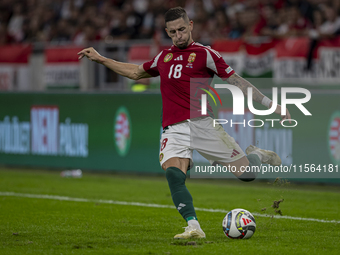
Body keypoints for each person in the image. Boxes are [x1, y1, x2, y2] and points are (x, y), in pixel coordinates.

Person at [78, 6, 291, 239]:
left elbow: (238, 82)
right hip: (173, 128)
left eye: (181, 29)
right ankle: (194, 227)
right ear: (167, 32)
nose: (178, 35)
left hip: (202, 124)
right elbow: (136, 72)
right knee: (173, 174)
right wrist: (100, 59)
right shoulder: (163, 57)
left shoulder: (206, 54)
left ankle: (258, 154)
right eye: (172, 32)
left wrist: (271, 105)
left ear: (190, 26)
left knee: (247, 174)